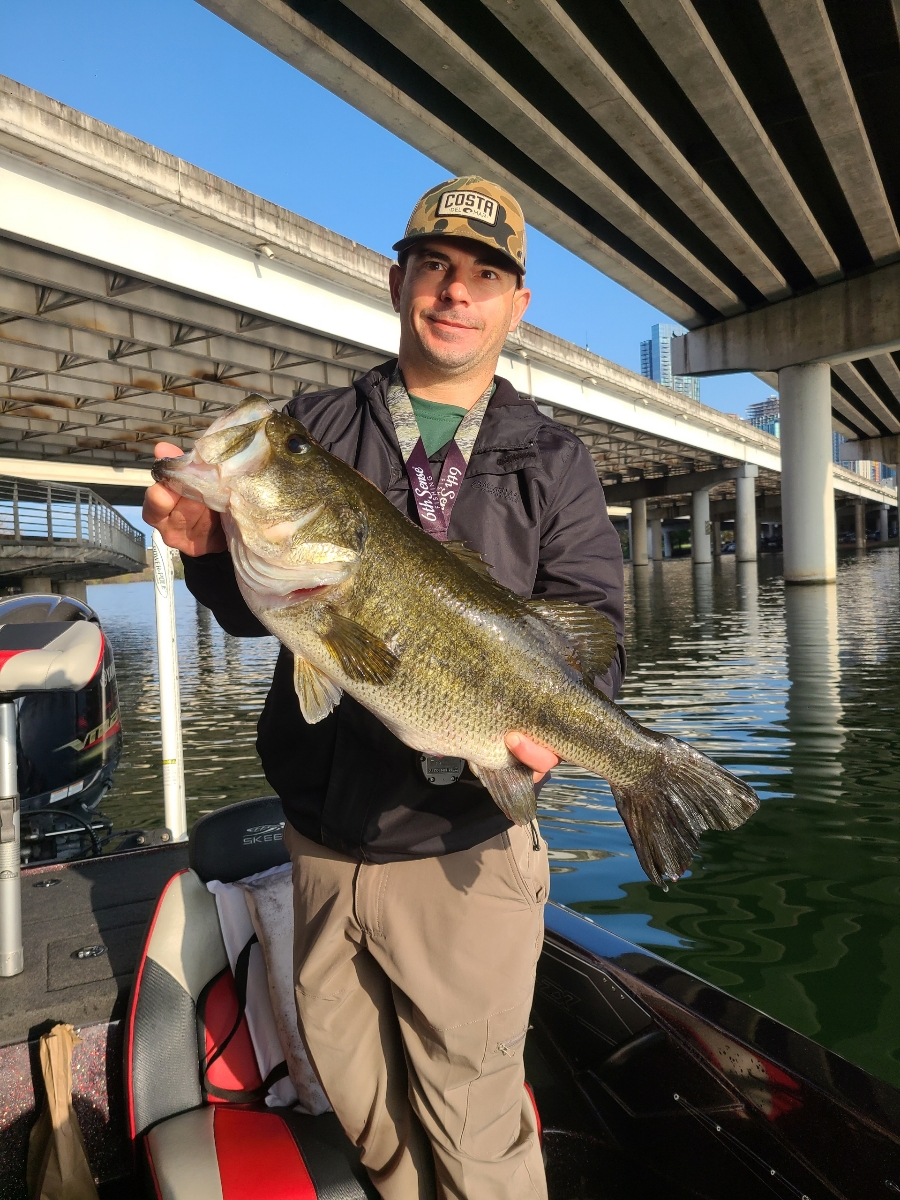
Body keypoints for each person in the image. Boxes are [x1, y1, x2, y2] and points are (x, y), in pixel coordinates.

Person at [144, 176, 625, 1199]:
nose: (455, 292)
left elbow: (594, 633)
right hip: (320, 847)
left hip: (465, 855)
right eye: (434, 266)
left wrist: (562, 732)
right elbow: (259, 610)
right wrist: (206, 557)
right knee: (364, 1110)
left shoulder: (554, 460)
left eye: (483, 276)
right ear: (395, 280)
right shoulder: (314, 427)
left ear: (516, 306)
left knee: (476, 1131)